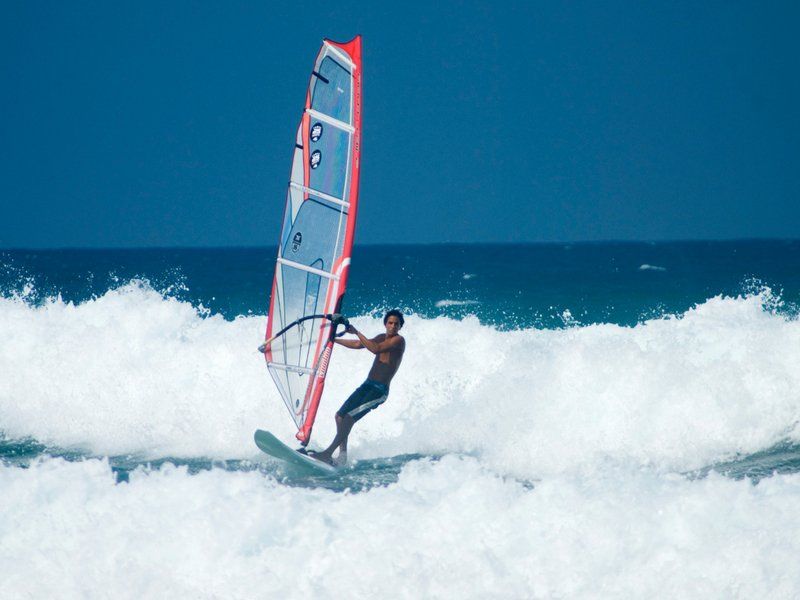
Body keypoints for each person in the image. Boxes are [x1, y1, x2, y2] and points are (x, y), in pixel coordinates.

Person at [308, 310, 406, 466]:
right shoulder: (381, 337)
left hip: (378, 391)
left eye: (396, 324)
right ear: (385, 324)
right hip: (367, 385)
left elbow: (375, 349)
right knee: (340, 416)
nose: (393, 326)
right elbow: (358, 344)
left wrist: (356, 331)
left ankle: (327, 453)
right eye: (390, 323)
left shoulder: (399, 341)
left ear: (400, 326)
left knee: (349, 418)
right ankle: (342, 456)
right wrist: (333, 340)